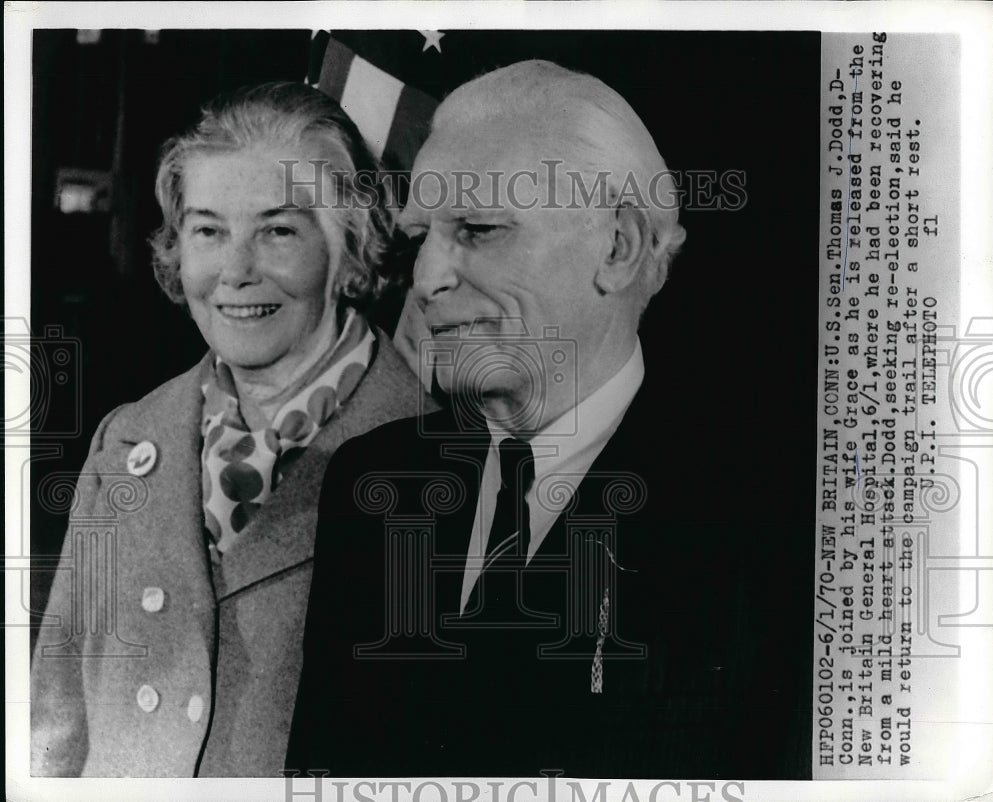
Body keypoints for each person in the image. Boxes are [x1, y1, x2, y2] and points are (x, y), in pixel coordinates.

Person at [288, 61, 810, 778]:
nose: (427, 279)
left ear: (618, 247)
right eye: (421, 238)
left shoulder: (774, 523)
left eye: (479, 229)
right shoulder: (369, 484)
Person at [30, 82, 434, 777]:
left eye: (278, 231)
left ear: (348, 247)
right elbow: (55, 729)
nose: (236, 271)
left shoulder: (438, 464)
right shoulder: (126, 441)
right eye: (209, 231)